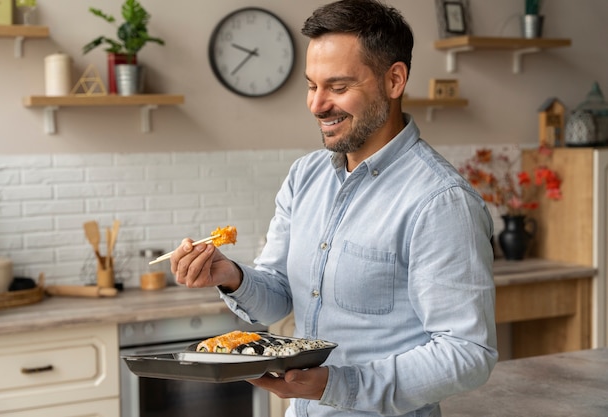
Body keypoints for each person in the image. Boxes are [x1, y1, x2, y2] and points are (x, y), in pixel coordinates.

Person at [170, 0, 498, 415]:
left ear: (394, 80)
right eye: (312, 85)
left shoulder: (440, 201)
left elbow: (468, 352)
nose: (317, 105)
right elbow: (279, 295)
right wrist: (230, 276)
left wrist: (339, 384)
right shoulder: (305, 176)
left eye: (338, 88)